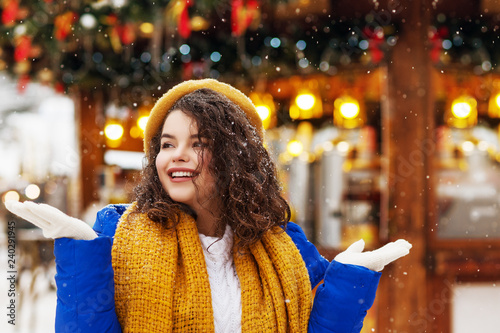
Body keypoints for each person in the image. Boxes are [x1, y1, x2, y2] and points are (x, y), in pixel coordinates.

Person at [6, 79, 411, 333]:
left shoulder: (283, 247)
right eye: (167, 144)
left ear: (237, 157)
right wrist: (80, 256)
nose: (176, 156)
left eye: (198, 144)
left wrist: (348, 284)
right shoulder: (117, 236)